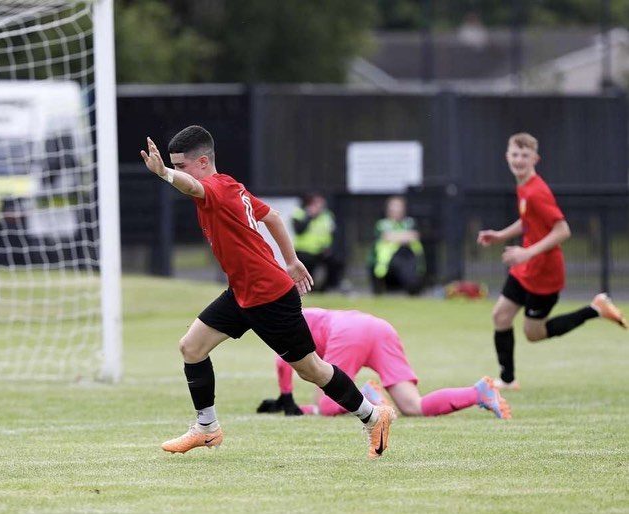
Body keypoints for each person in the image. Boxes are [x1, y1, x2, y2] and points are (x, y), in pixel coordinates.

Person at [140, 126, 395, 458]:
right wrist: (291, 260)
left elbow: (191, 184)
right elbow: (272, 216)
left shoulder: (215, 188)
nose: (178, 172)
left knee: (311, 370)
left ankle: (374, 416)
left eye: (181, 165)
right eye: (173, 165)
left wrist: (164, 174)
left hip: (270, 297)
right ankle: (207, 428)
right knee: (191, 347)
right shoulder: (230, 186)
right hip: (242, 293)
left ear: (203, 162)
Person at [477, 132, 626, 390]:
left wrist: (527, 253)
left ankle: (595, 308)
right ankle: (508, 380)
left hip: (545, 275)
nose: (519, 159)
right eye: (515, 154)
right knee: (501, 316)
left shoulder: (537, 191)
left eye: (525, 155)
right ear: (507, 156)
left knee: (533, 334)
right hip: (526, 268)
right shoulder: (523, 186)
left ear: (536, 158)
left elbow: (562, 230)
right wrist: (500, 235)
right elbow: (529, 220)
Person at [257, 307, 511, 420]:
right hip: (379, 327)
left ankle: (366, 395)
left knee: (325, 405)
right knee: (413, 406)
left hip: (348, 332)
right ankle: (479, 392)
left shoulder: (281, 320)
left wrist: (287, 399)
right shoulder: (300, 311)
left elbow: (282, 361)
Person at [368, 196, 425, 295]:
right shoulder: (382, 223)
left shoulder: (410, 222)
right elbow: (386, 236)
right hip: (385, 263)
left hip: (406, 258)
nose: (396, 209)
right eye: (394, 206)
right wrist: (404, 236)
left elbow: (414, 236)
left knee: (413, 281)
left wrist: (395, 236)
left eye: (399, 206)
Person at [291, 193, 344, 292]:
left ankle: (326, 288)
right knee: (308, 266)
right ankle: (307, 289)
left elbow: (333, 234)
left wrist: (329, 248)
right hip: (304, 251)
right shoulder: (299, 214)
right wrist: (310, 216)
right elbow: (299, 230)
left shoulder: (327, 216)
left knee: (336, 262)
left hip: (321, 251)